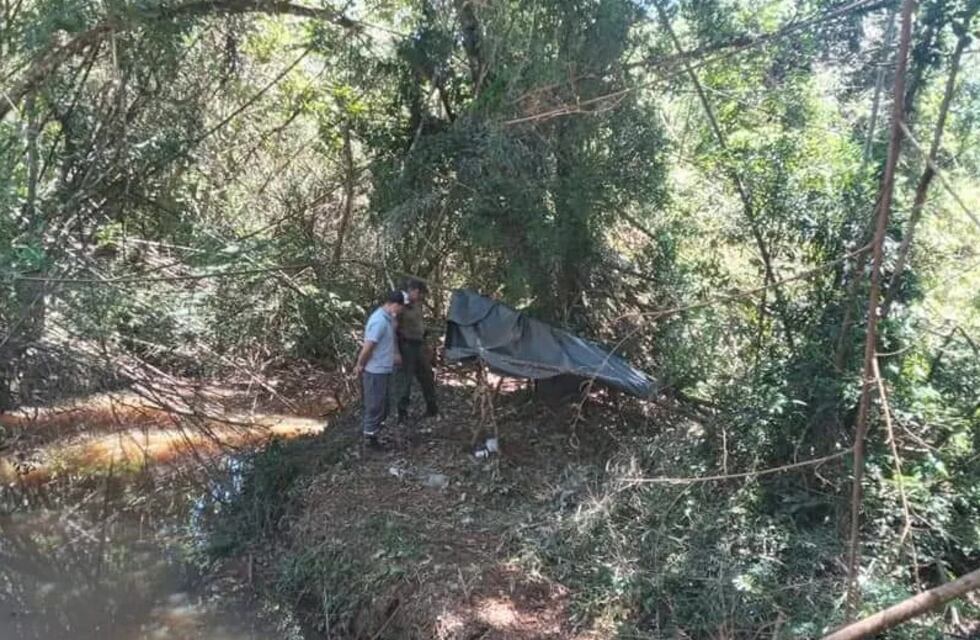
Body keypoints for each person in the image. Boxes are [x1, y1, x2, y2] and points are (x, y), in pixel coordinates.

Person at [354, 290, 405, 447]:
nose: (400, 312)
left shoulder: (388, 318)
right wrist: (360, 364)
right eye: (400, 308)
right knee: (375, 405)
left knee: (384, 405)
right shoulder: (379, 321)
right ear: (394, 305)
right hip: (375, 370)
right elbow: (368, 346)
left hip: (384, 368)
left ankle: (375, 433)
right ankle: (370, 439)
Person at [395, 278, 438, 422]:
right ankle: (402, 413)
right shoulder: (400, 304)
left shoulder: (417, 304)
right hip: (406, 346)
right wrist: (395, 351)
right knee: (406, 380)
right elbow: (393, 329)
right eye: (419, 294)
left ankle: (432, 408)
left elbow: (419, 324)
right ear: (413, 291)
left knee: (426, 375)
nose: (421, 298)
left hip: (419, 344)